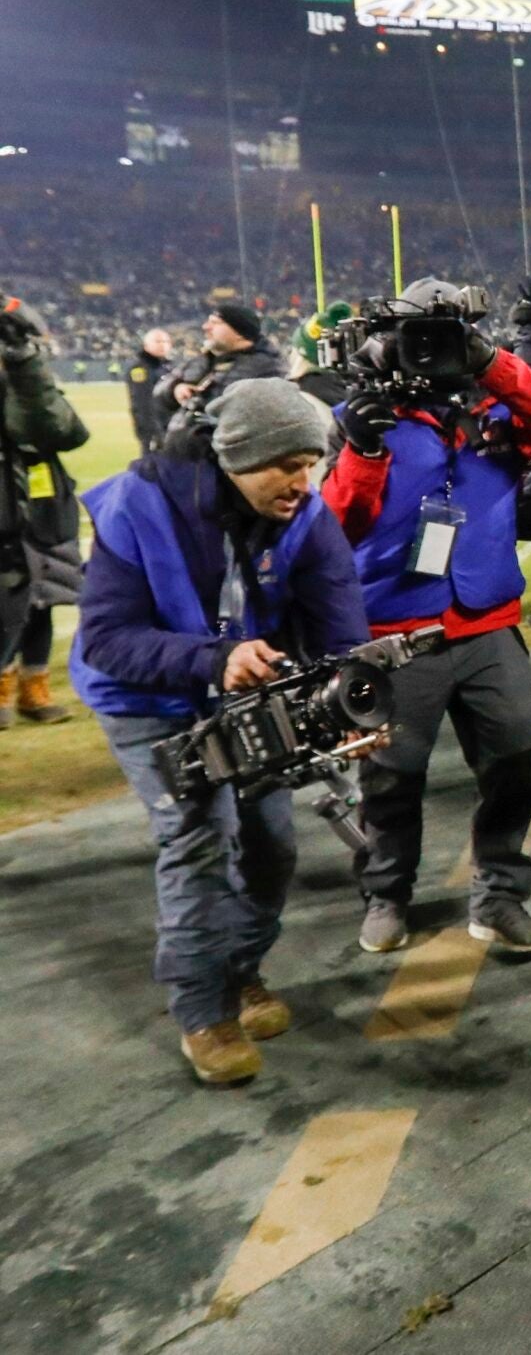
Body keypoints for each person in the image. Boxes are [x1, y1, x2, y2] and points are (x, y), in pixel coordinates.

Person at [69, 380, 368, 1086]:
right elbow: (107, 638)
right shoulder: (140, 501)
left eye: (313, 461)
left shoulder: (307, 512)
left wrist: (350, 711)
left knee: (269, 846)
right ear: (235, 457)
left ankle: (240, 972)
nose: (303, 481)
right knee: (200, 840)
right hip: (149, 698)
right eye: (285, 465)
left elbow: (339, 632)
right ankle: (203, 1011)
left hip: (245, 690)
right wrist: (212, 657)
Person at [323, 278, 531, 958]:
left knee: (512, 765)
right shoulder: (366, 416)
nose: (434, 350)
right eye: (423, 335)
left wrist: (493, 362)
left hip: (488, 621)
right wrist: (360, 450)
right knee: (390, 780)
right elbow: (337, 524)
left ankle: (499, 898)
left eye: (452, 334)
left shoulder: (496, 404)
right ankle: (387, 894)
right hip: (394, 634)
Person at [1, 296, 88, 723]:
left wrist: (23, 364)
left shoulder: (23, 373)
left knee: (42, 599)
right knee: (9, 598)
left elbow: (62, 431)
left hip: (41, 504)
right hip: (10, 508)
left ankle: (33, 693)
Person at [159, 305, 287, 423]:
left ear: (239, 333)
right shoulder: (203, 359)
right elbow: (158, 393)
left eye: (215, 323)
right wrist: (175, 388)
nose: (205, 327)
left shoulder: (266, 368)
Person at [128, 327, 174, 452]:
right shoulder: (140, 368)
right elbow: (143, 403)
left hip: (170, 426)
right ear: (146, 345)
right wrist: (153, 432)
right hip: (154, 429)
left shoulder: (167, 366)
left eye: (166, 342)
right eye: (158, 342)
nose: (162, 345)